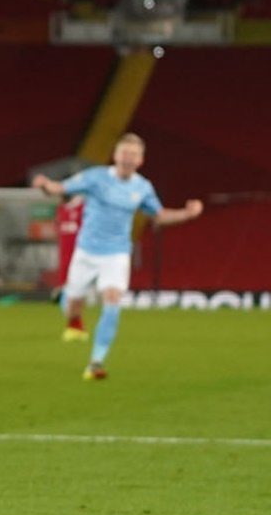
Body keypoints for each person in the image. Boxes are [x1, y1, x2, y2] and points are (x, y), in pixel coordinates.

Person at [32, 132, 202, 381]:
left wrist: (187, 214)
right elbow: (62, 188)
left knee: (112, 301)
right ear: (116, 156)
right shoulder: (96, 178)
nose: (128, 158)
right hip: (87, 251)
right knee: (73, 307)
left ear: (141, 160)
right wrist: (46, 186)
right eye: (124, 153)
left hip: (117, 254)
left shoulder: (142, 187)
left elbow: (158, 215)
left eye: (133, 154)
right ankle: (71, 311)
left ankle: (96, 362)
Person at [49, 192, 84, 312]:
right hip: (64, 252)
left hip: (80, 252)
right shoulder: (60, 209)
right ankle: (65, 300)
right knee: (65, 278)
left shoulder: (82, 208)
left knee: (77, 279)